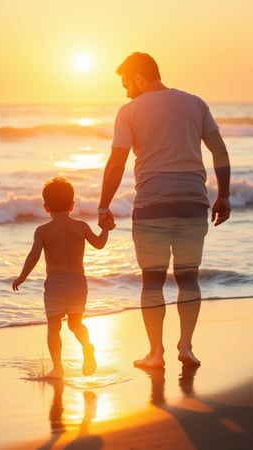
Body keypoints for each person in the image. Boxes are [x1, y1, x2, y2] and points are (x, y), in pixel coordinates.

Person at [98, 52, 231, 368]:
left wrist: (103, 205)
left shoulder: (129, 111)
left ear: (140, 78)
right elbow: (220, 150)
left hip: (151, 205)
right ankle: (186, 347)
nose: (126, 91)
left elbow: (117, 162)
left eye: (127, 83)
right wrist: (223, 195)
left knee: (152, 280)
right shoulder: (195, 103)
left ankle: (155, 353)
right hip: (193, 203)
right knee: (188, 276)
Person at [12, 177, 114, 379]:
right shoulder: (82, 226)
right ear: (72, 204)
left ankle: (58, 368)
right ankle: (86, 345)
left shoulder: (42, 231)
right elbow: (100, 244)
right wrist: (105, 228)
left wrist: (22, 276)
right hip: (78, 283)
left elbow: (33, 256)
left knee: (54, 327)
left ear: (45, 207)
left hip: (56, 284)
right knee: (76, 324)